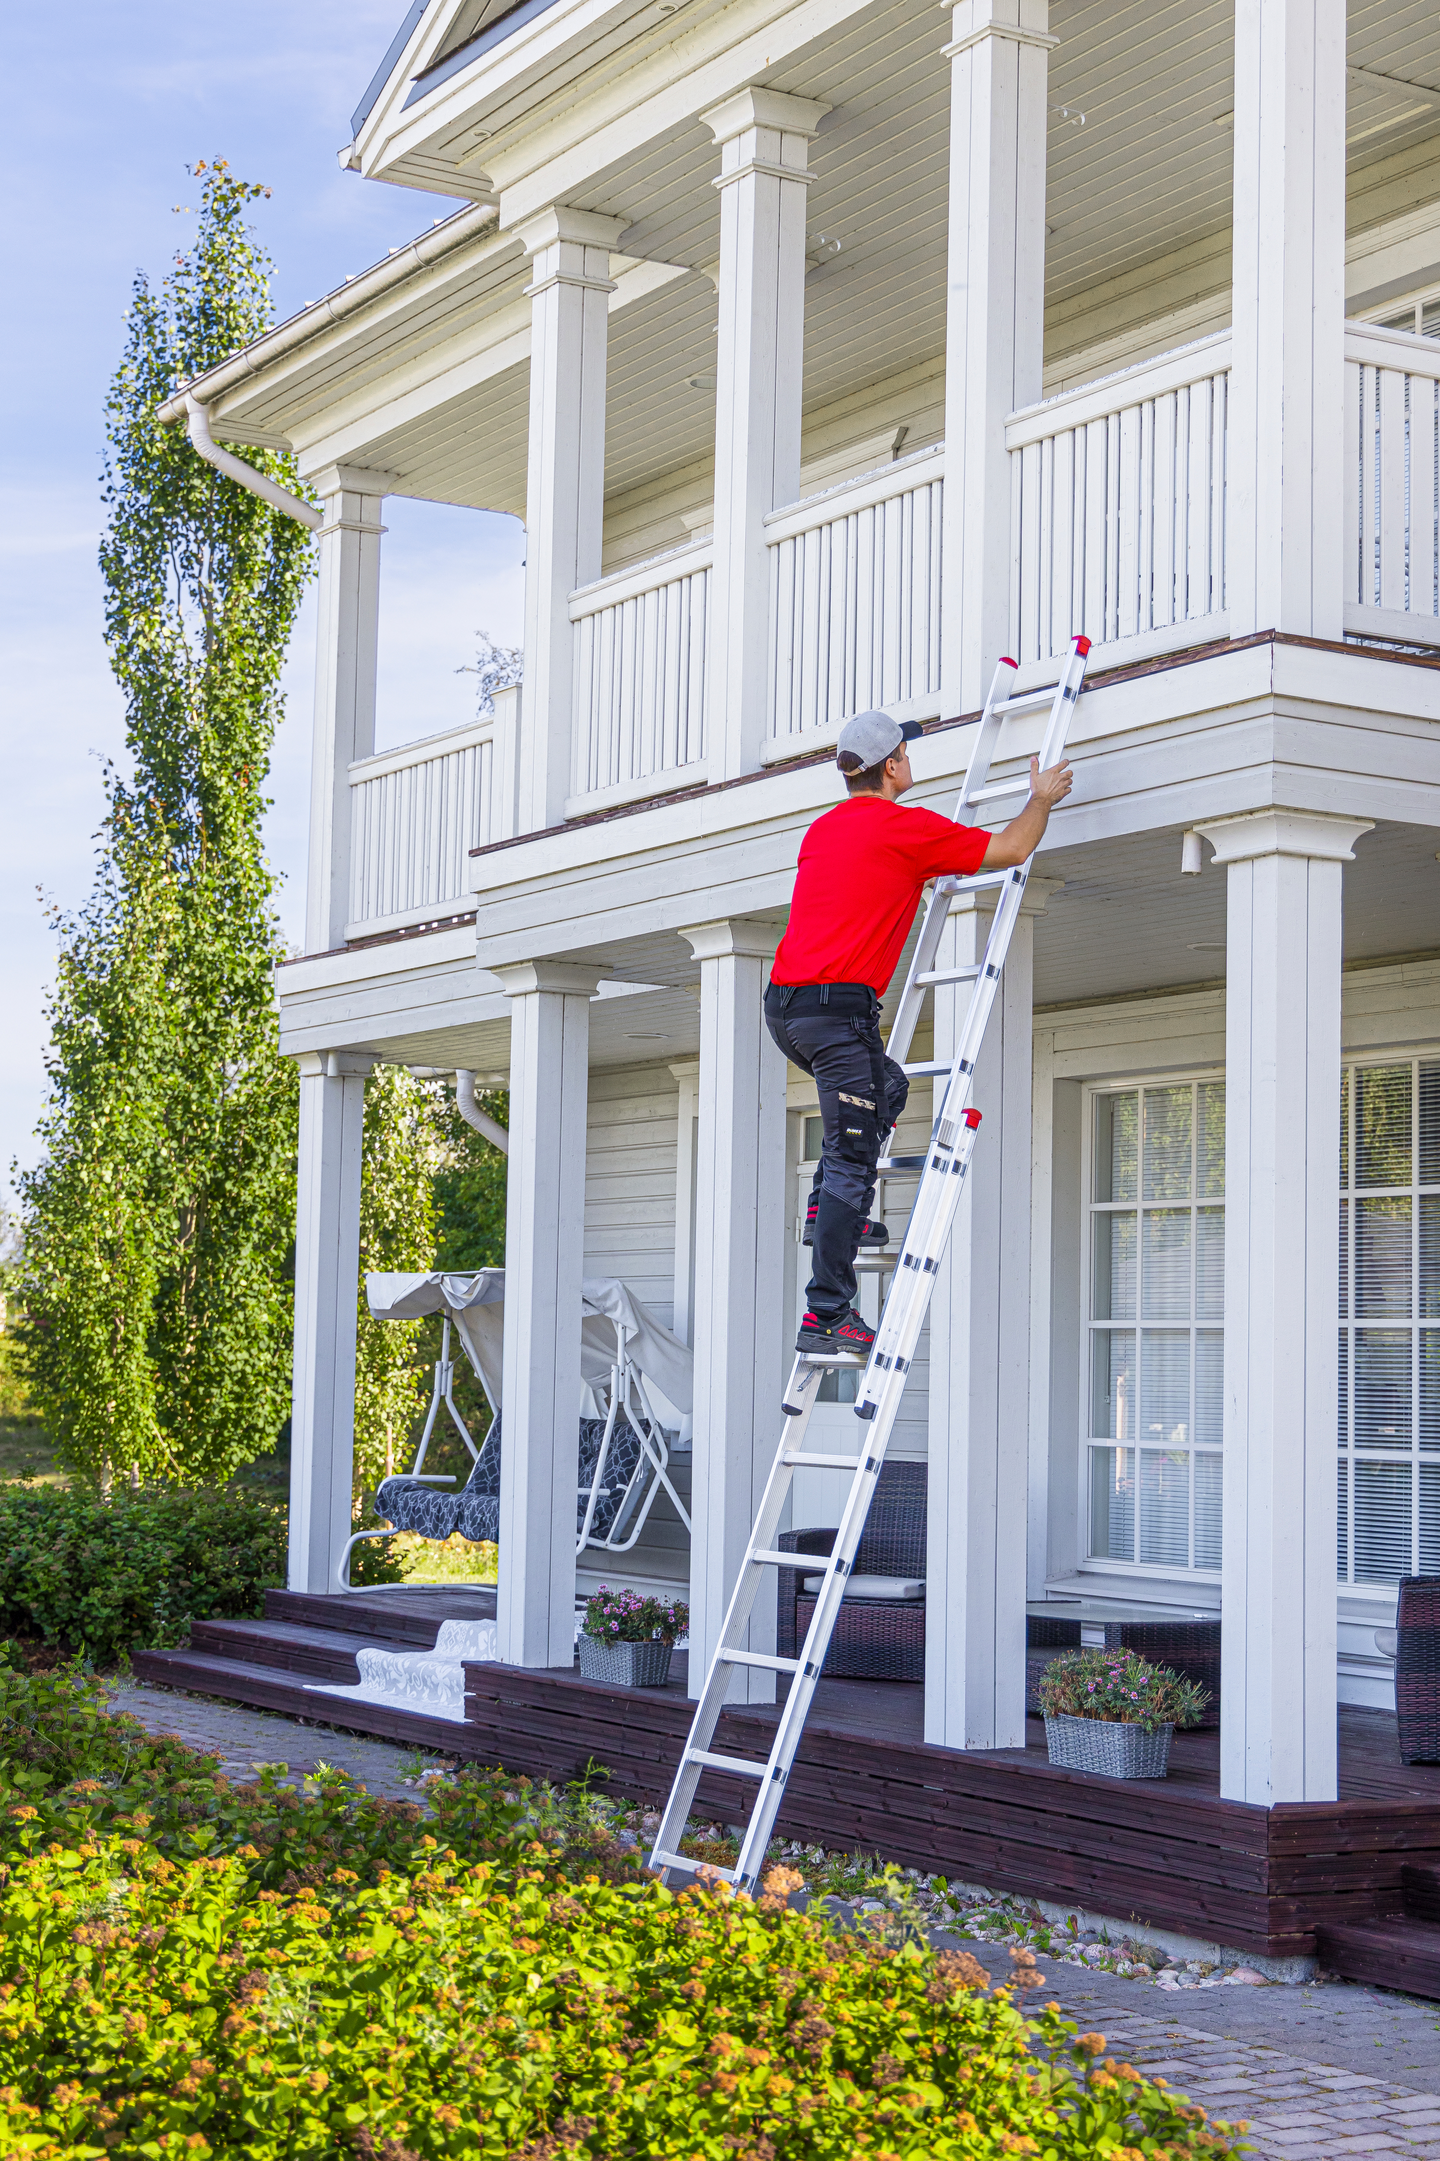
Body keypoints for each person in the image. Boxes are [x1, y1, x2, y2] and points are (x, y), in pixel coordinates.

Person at [765, 708, 1073, 1356]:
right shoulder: (903, 829)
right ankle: (826, 1316)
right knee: (853, 1153)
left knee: (888, 1088)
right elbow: (1013, 849)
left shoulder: (823, 829)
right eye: (906, 750)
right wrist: (1039, 798)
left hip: (790, 1010)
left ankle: (829, 1213)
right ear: (895, 765)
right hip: (835, 1012)